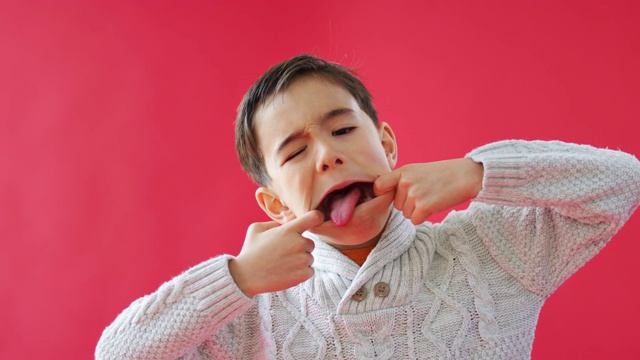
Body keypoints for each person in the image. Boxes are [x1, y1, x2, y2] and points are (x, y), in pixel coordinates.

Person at [95, 54, 640, 359]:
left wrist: (478, 173)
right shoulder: (255, 315)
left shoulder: (490, 251)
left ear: (388, 145)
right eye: (297, 150)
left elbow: (623, 181)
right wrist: (235, 280)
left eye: (342, 128)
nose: (329, 155)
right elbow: (115, 356)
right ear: (275, 204)